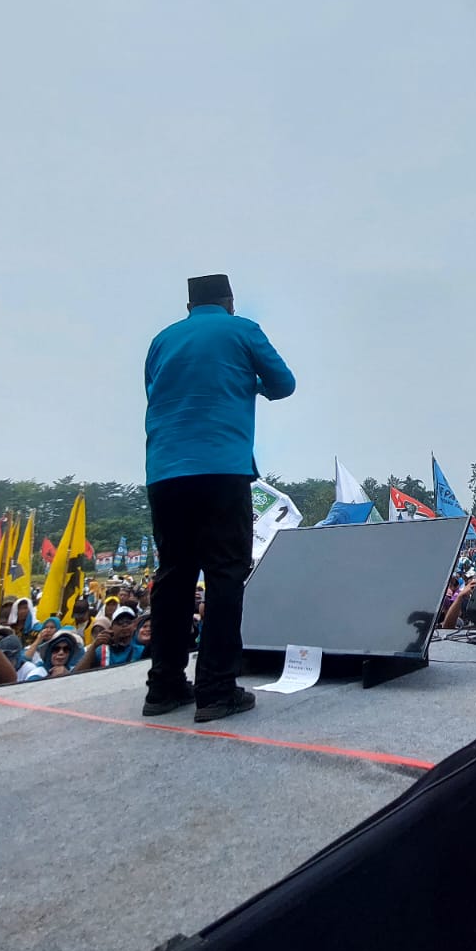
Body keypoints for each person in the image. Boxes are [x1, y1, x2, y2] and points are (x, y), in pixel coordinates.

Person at [143, 273, 295, 723]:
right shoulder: (242, 329)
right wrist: (250, 382)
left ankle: (164, 686)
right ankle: (215, 689)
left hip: (165, 470)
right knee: (226, 573)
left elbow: (156, 393)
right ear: (228, 300)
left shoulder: (161, 340)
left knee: (173, 575)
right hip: (221, 467)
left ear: (189, 306)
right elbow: (284, 383)